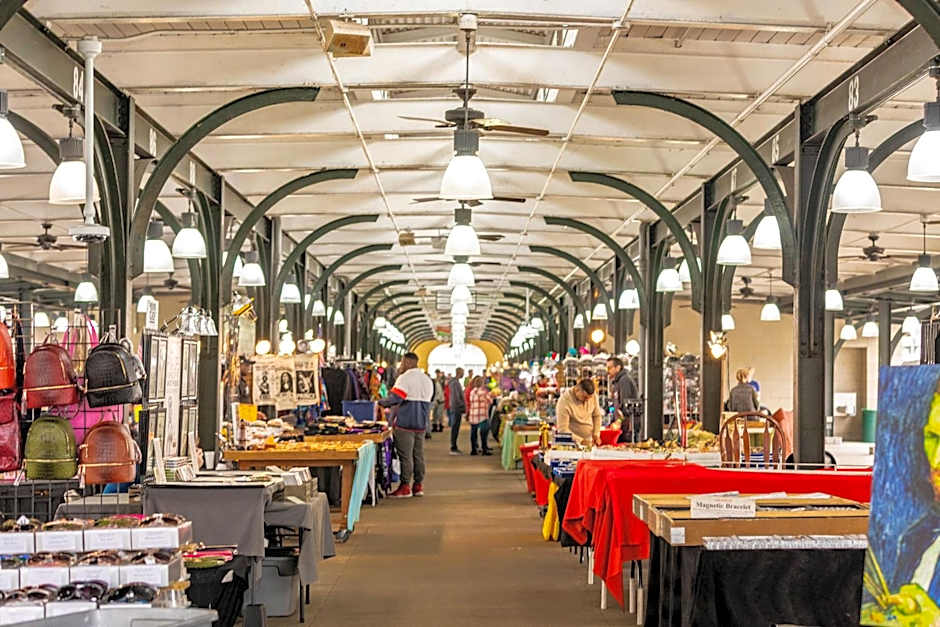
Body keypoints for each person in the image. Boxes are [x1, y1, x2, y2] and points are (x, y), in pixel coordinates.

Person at [378, 352, 433, 498]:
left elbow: (396, 397)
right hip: (421, 423)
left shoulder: (405, 378)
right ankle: (418, 485)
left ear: (408, 363)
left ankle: (405, 486)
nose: (400, 366)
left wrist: (380, 402)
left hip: (405, 423)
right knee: (418, 455)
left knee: (405, 456)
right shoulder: (427, 379)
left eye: (402, 363)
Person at [556, 379, 603, 447]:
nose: (588, 400)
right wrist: (581, 441)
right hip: (571, 444)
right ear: (577, 390)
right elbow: (563, 429)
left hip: (589, 441)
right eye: (585, 397)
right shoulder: (564, 402)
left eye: (590, 397)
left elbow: (597, 416)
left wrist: (596, 434)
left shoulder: (592, 396)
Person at [607, 357, 639, 442]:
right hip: (619, 424)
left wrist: (619, 420)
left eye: (609, 368)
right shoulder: (616, 382)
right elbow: (614, 403)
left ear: (618, 368)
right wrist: (612, 418)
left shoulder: (624, 380)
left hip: (626, 426)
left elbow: (626, 405)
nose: (607, 371)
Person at [467, 376, 493, 456]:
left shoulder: (472, 392)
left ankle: (473, 449)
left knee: (473, 433)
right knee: (483, 433)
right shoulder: (484, 392)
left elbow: (470, 401)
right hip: (482, 415)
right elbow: (490, 401)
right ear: (482, 383)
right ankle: (484, 449)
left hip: (473, 414)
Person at [447, 368, 466, 455]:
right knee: (455, 427)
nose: (463, 374)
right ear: (459, 372)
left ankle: (454, 446)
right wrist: (461, 405)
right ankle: (453, 447)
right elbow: (455, 397)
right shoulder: (455, 383)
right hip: (456, 408)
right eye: (462, 372)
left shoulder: (455, 382)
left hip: (456, 407)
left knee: (456, 427)